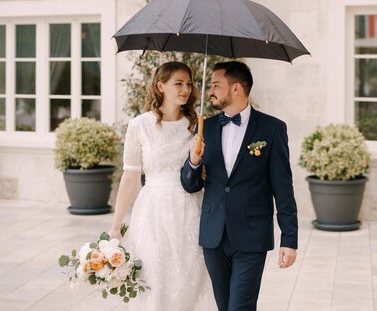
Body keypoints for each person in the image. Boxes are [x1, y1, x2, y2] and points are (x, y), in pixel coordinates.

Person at [181, 61, 298, 311]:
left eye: (216, 85)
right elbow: (190, 186)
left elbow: (283, 187)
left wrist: (289, 238)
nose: (210, 91)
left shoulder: (272, 129)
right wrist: (193, 159)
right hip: (213, 235)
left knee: (240, 307)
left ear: (236, 89)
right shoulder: (206, 128)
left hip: (251, 235)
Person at [108, 61, 212, 311]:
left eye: (189, 83)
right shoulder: (139, 125)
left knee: (188, 280)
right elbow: (131, 178)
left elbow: (207, 175)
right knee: (154, 278)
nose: (186, 89)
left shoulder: (198, 125)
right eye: (178, 83)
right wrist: (116, 226)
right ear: (160, 86)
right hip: (153, 210)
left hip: (190, 209)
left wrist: (199, 157)